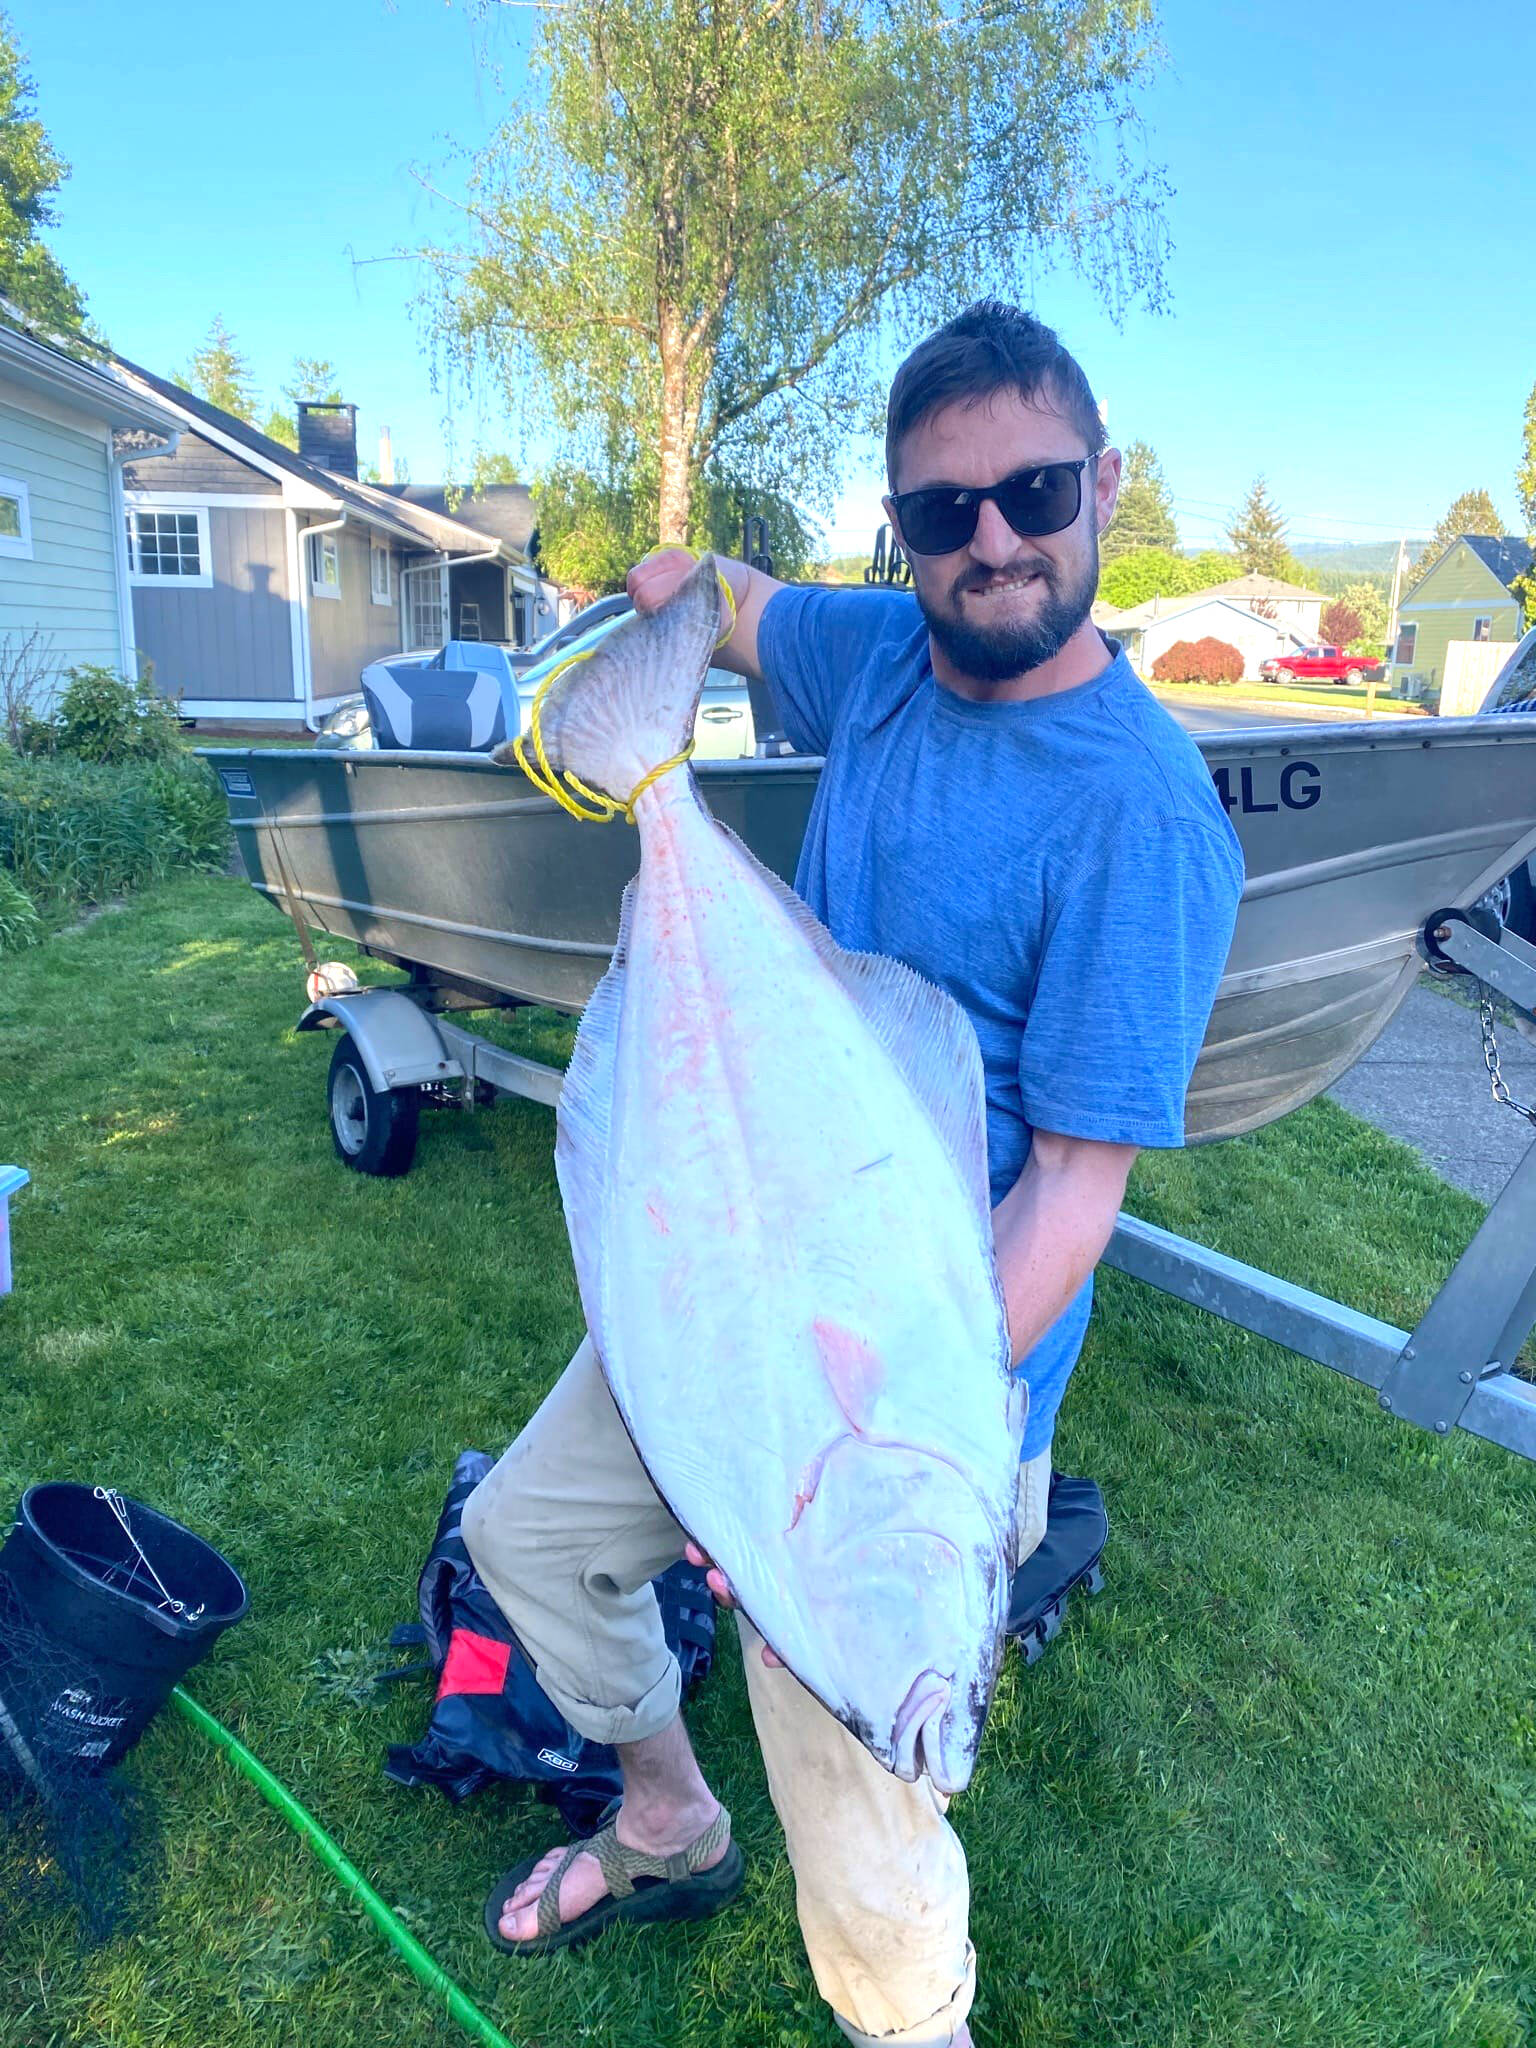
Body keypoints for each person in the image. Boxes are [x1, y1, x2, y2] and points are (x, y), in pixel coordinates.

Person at [461, 298, 1244, 2047]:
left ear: (1103, 484)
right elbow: (735, 603)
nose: (992, 544)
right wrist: (660, 608)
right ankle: (666, 1817)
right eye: (939, 512)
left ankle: (919, 2026)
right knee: (526, 1537)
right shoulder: (884, 652)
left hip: (901, 1416)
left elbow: (1069, 1199)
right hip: (736, 1285)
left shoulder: (1141, 817)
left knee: (879, 1843)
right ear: (898, 528)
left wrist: (822, 1446)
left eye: (1034, 494)